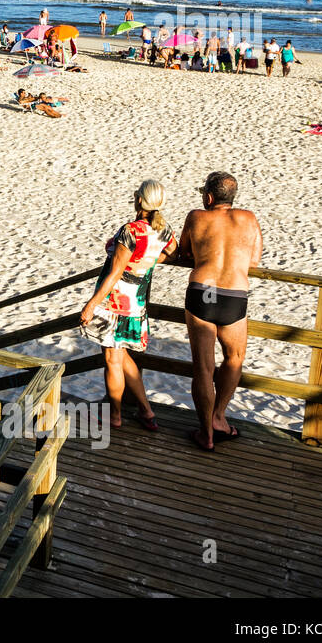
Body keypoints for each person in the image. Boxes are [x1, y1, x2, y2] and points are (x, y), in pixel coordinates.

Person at [79, 180, 177, 430]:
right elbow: (173, 253)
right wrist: (148, 264)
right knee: (122, 356)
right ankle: (146, 411)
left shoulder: (131, 231)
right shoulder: (164, 231)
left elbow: (115, 272)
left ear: (139, 200)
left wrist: (91, 304)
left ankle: (115, 415)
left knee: (112, 358)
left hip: (115, 300)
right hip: (136, 299)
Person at [176, 172, 262, 451]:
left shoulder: (196, 217)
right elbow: (255, 260)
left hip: (204, 290)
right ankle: (219, 418)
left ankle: (206, 435)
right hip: (233, 295)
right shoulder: (249, 218)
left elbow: (184, 253)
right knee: (234, 359)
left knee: (203, 368)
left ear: (209, 198)